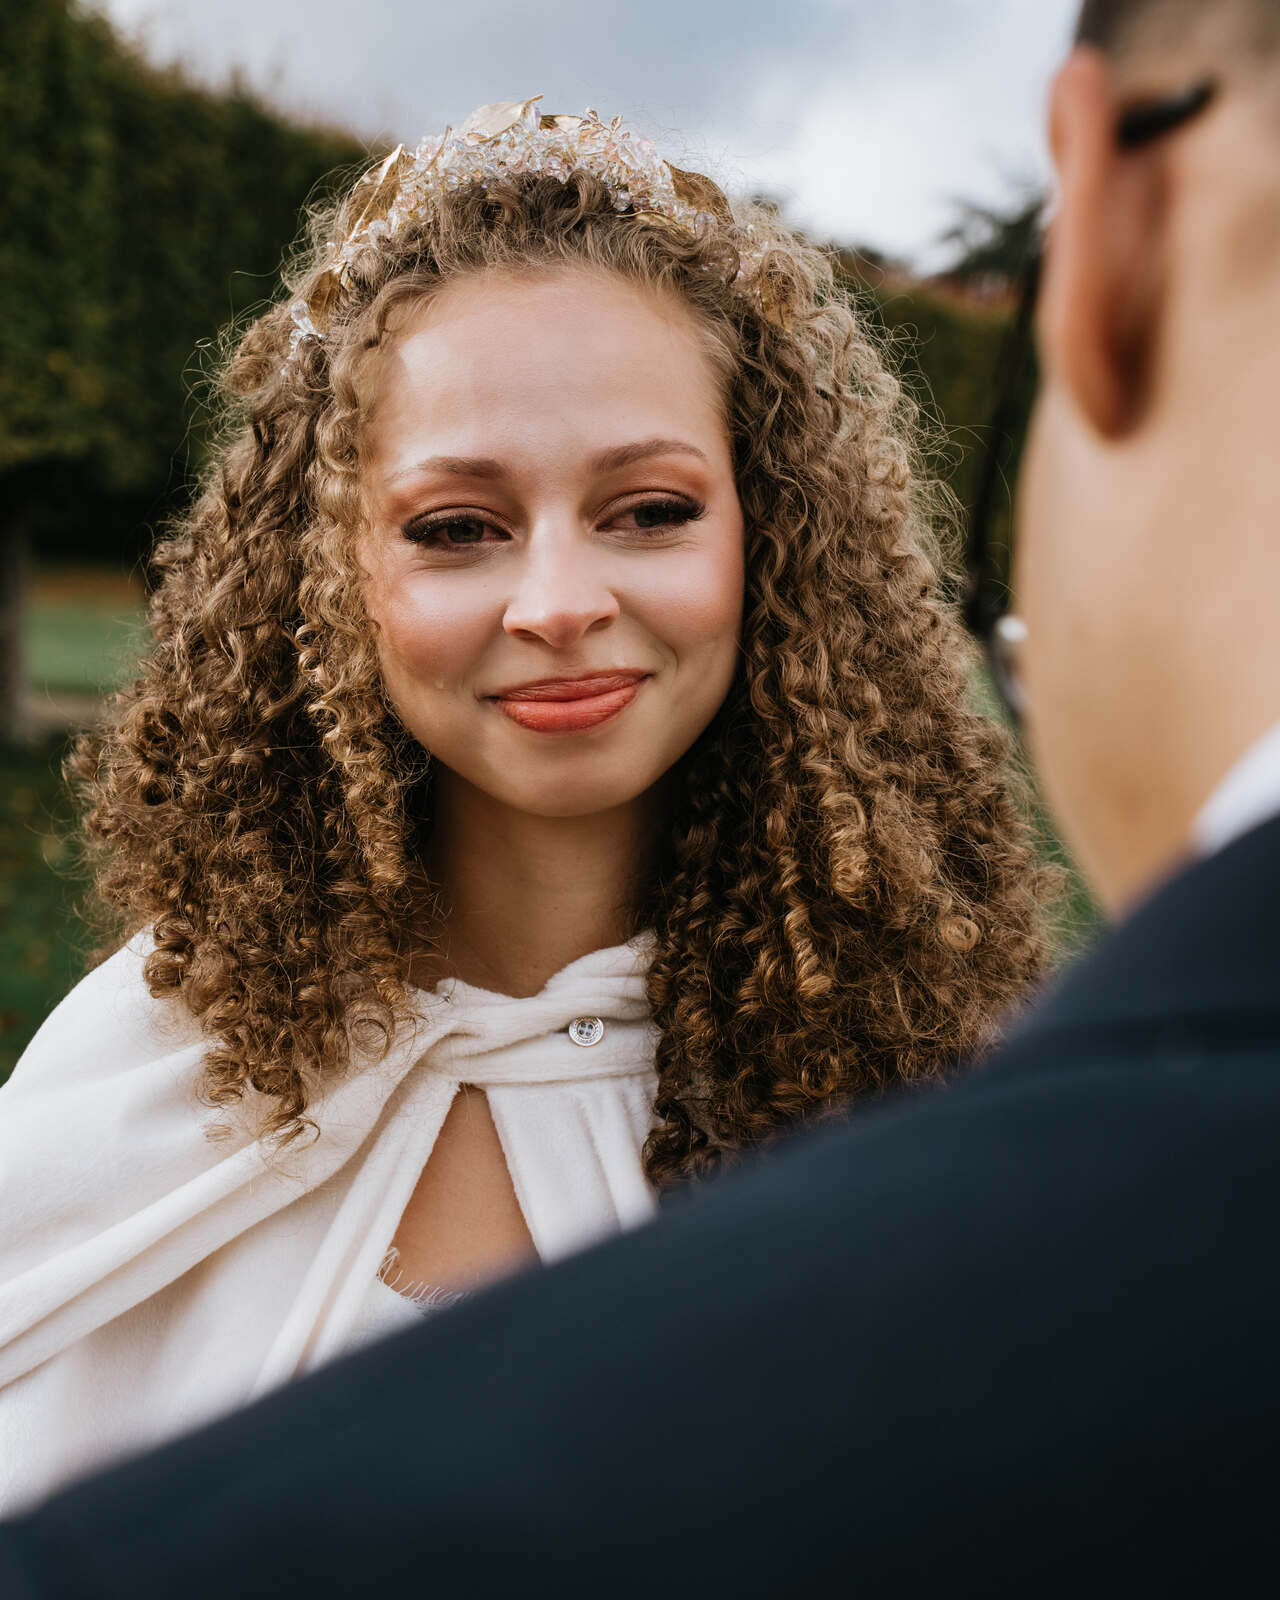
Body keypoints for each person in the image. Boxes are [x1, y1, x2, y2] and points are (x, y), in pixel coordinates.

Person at [6, 0, 1278, 1587]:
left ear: (773, 535)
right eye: (459, 526)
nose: (557, 599)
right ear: (334, 576)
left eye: (649, 510)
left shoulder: (924, 1102)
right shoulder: (137, 1072)